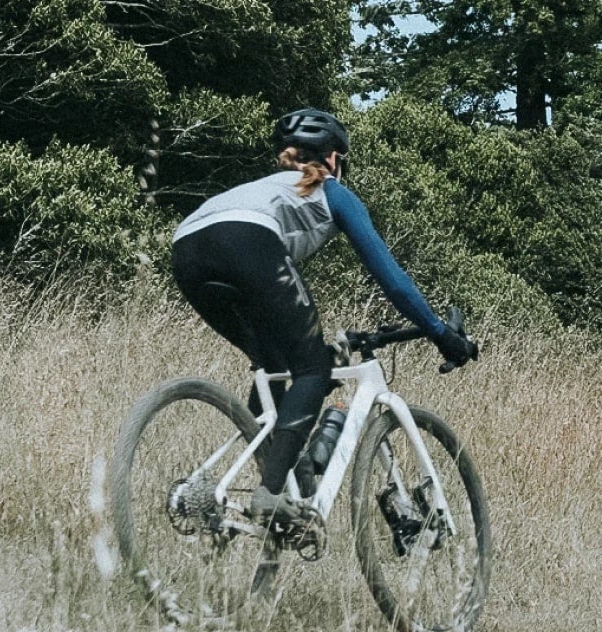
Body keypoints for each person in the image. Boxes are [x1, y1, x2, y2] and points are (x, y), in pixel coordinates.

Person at [168, 108, 476, 530]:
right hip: (246, 240)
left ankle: (265, 479)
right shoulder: (331, 192)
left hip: (186, 250)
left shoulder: (266, 188)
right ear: (332, 158)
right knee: (313, 367)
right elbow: (394, 282)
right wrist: (440, 333)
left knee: (277, 367)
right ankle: (270, 492)